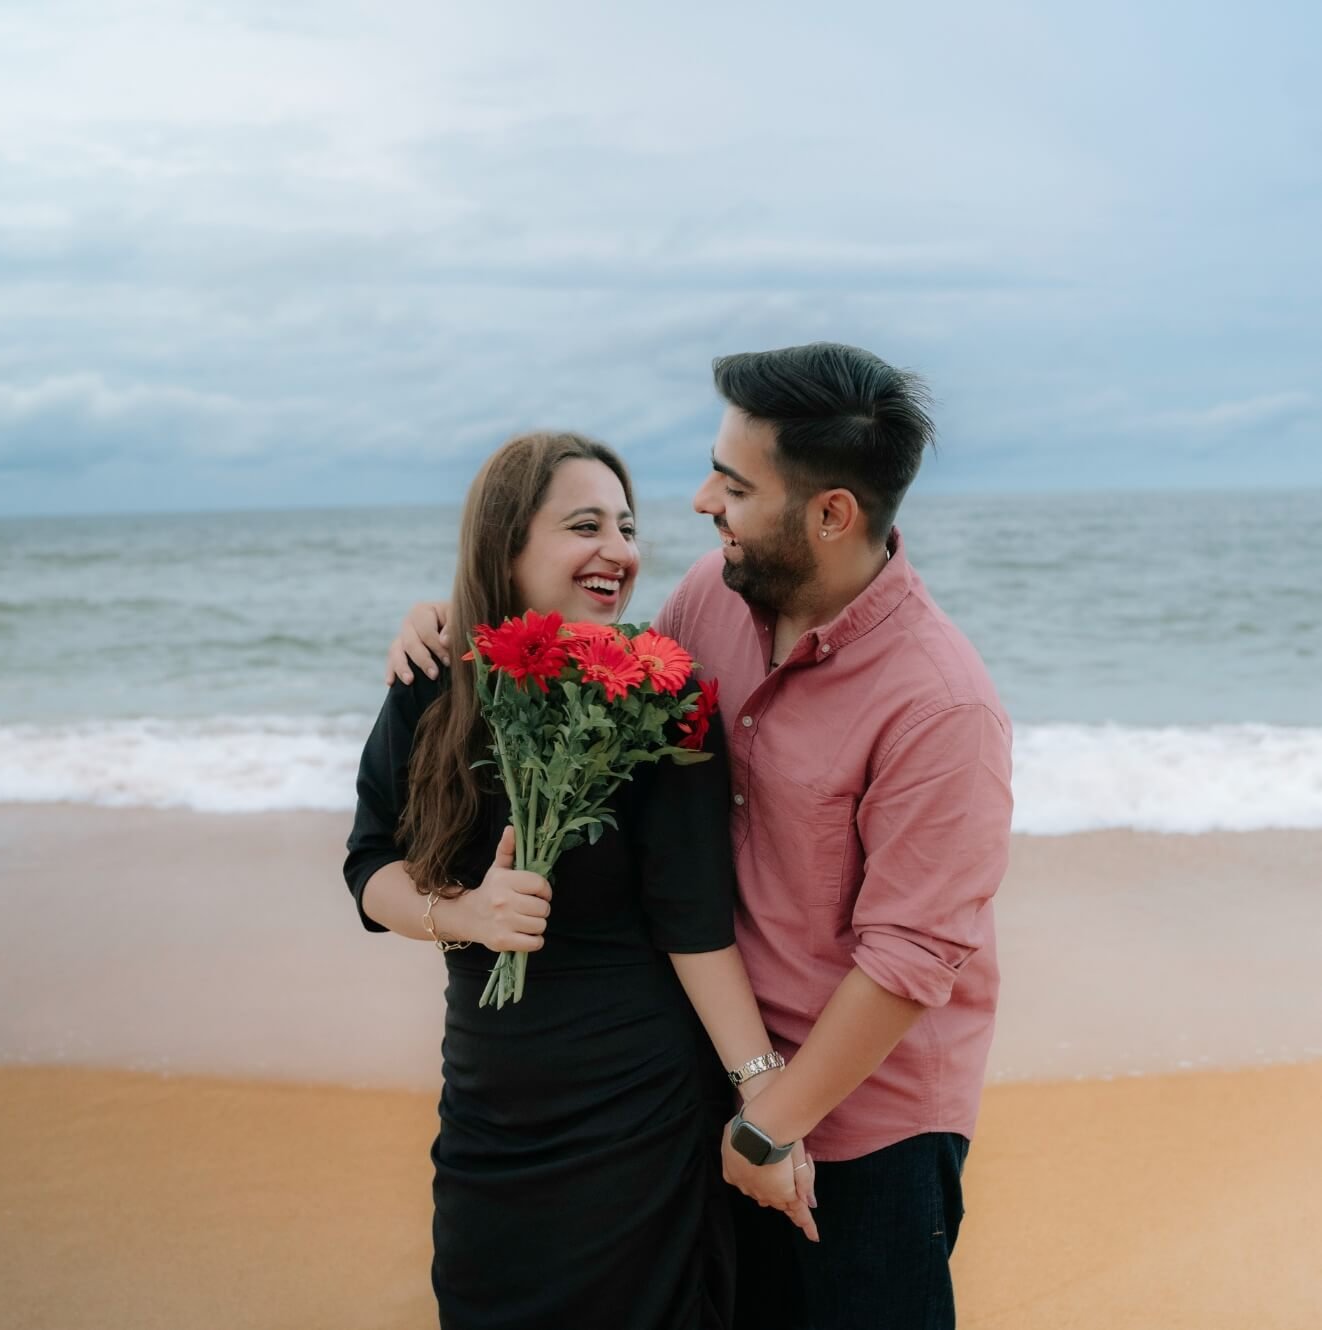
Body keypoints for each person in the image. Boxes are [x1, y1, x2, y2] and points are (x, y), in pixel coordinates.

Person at [387, 345, 1014, 1330]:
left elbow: (910, 959)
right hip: (708, 1088)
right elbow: (596, 674)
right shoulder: (710, 598)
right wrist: (449, 622)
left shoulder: (942, 706)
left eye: (734, 484)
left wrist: (771, 1125)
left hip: (860, 1125)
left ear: (830, 514)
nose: (700, 501)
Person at [344, 430, 816, 1330]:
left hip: (636, 1110)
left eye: (627, 527)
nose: (619, 550)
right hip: (488, 1109)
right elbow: (370, 866)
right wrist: (469, 915)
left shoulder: (662, 698)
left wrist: (765, 1097)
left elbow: (694, 925)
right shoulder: (435, 680)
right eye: (585, 525)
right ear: (506, 546)